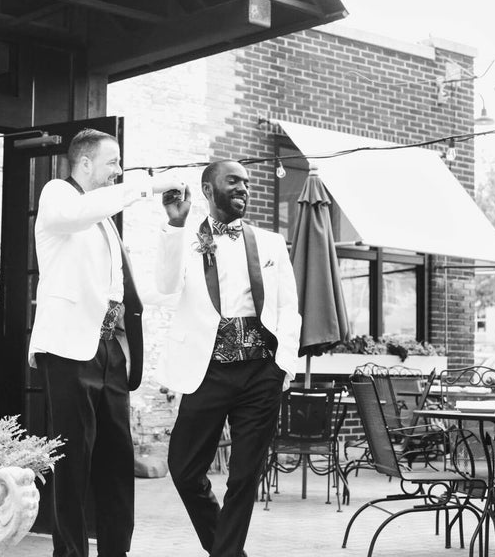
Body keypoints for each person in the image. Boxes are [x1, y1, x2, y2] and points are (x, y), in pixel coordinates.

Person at [29, 128, 184, 557]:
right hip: (69, 352)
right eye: (113, 162)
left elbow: (135, 291)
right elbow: (76, 213)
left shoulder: (105, 223)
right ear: (84, 164)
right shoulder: (57, 195)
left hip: (111, 353)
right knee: (73, 464)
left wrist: (175, 227)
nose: (119, 171)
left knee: (117, 465)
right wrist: (147, 186)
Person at [155, 159, 301, 557]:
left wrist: (282, 365)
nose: (243, 188)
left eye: (247, 182)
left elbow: (289, 307)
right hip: (208, 371)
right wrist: (174, 225)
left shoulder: (270, 242)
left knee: (243, 477)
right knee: (184, 470)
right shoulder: (183, 238)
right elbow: (165, 289)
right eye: (233, 181)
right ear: (207, 190)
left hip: (261, 372)